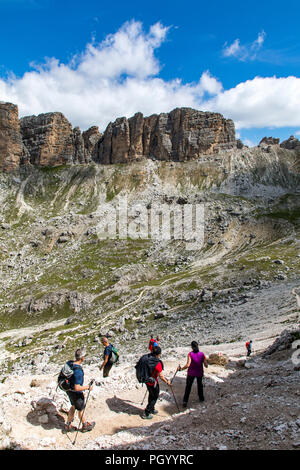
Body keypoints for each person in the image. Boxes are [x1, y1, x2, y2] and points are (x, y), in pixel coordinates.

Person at [64, 348, 95, 433]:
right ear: (82, 358)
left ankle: (68, 425)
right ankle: (85, 425)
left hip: (69, 390)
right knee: (81, 409)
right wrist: (88, 387)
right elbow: (77, 387)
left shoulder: (69, 363)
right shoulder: (78, 371)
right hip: (76, 393)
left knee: (73, 406)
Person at [142, 346, 171, 420]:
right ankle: (147, 412)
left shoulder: (147, 359)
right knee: (155, 396)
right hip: (153, 382)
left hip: (147, 380)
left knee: (151, 394)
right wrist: (167, 382)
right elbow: (161, 376)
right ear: (159, 354)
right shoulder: (157, 363)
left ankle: (151, 408)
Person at [177, 341, 208, 408]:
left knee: (188, 387)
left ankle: (185, 401)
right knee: (200, 385)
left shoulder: (190, 354)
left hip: (191, 373)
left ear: (192, 347)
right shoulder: (202, 354)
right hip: (199, 372)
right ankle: (201, 398)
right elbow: (206, 365)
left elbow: (188, 364)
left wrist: (181, 369)